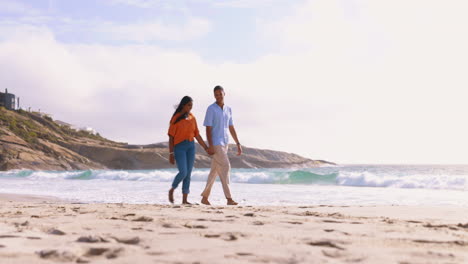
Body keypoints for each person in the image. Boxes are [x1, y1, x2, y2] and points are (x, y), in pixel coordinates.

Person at [201, 85, 242, 206]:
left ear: (224, 93)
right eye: (216, 94)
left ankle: (204, 197)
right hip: (216, 143)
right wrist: (211, 145)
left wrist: (238, 143)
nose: (218, 96)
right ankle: (229, 198)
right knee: (226, 166)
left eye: (220, 94)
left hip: (225, 143)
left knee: (214, 171)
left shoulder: (229, 109)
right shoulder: (211, 109)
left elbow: (231, 127)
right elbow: (208, 129)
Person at [168, 96, 211, 204]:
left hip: (191, 147)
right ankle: (172, 189)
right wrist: (171, 153)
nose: (190, 108)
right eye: (189, 105)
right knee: (183, 172)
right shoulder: (175, 118)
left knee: (188, 174)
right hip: (179, 147)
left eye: (191, 105)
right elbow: (171, 137)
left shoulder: (192, 117)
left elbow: (197, 135)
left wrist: (206, 147)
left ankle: (185, 200)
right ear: (183, 105)